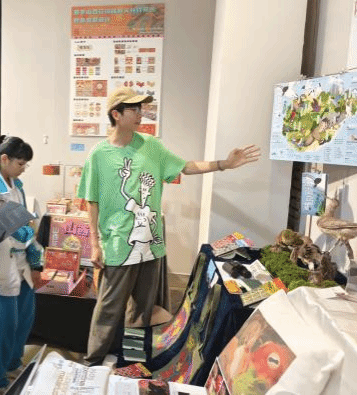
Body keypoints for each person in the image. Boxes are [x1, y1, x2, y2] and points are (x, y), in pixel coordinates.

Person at [77, 87, 261, 366]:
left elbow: (186, 166)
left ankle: (132, 363)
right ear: (116, 114)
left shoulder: (151, 146)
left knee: (142, 311)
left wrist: (224, 163)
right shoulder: (98, 155)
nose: (141, 114)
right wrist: (94, 244)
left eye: (141, 108)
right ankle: (92, 362)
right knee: (108, 309)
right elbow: (91, 200)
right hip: (117, 244)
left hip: (151, 244)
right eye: (134, 109)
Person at [0, 135, 43, 393]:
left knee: (24, 317)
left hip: (20, 257)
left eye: (26, 164)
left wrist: (35, 259)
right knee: (4, 324)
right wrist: (23, 229)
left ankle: (14, 363)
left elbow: (24, 223)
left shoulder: (16, 184)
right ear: (4, 159)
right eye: (20, 163)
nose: (23, 168)